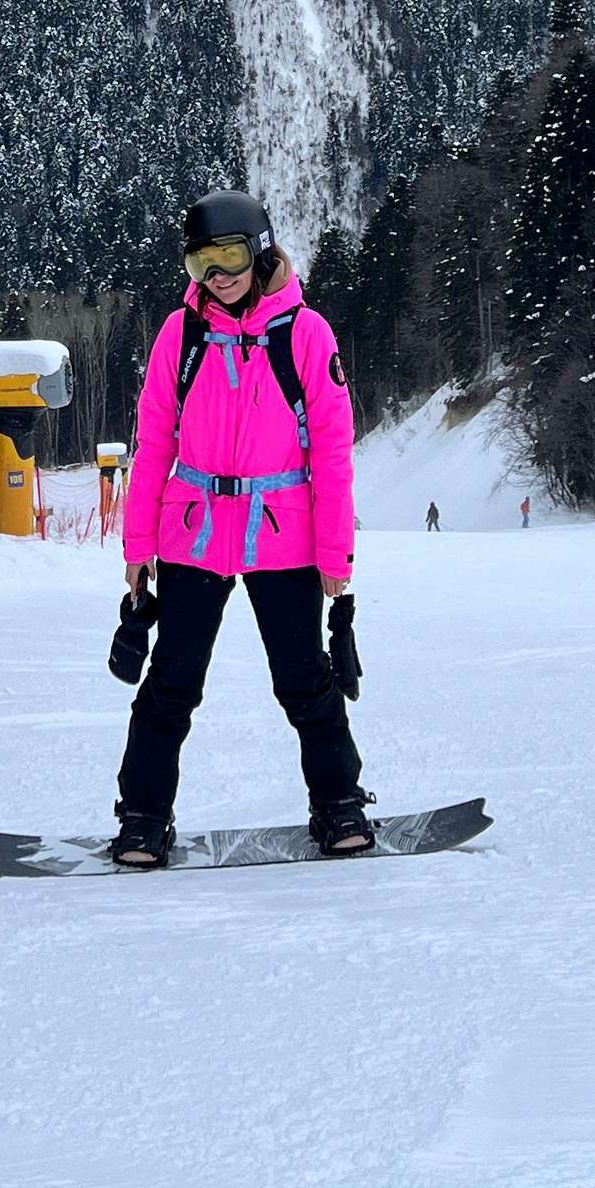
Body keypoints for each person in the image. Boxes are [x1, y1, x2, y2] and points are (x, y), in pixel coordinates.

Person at [113, 189, 370, 869]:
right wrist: (138, 546)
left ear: (259, 251)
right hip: (193, 531)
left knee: (304, 680)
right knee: (171, 682)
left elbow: (333, 452)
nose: (216, 275)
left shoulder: (306, 334)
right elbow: (153, 444)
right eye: (201, 261)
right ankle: (142, 816)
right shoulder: (182, 333)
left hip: (282, 532)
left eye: (228, 256)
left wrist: (334, 551)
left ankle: (339, 803)